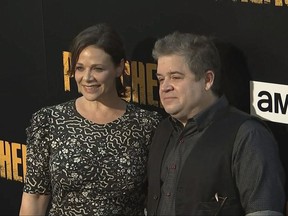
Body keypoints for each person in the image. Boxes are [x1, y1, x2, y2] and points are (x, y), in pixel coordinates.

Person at [19, 23, 162, 216]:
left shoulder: (147, 125)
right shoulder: (49, 121)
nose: (87, 77)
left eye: (98, 69)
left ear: (119, 68)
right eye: (80, 68)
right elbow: (34, 199)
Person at [147, 31, 286, 216]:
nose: (165, 87)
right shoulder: (163, 129)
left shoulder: (248, 135)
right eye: (161, 78)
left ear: (207, 80)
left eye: (176, 77)